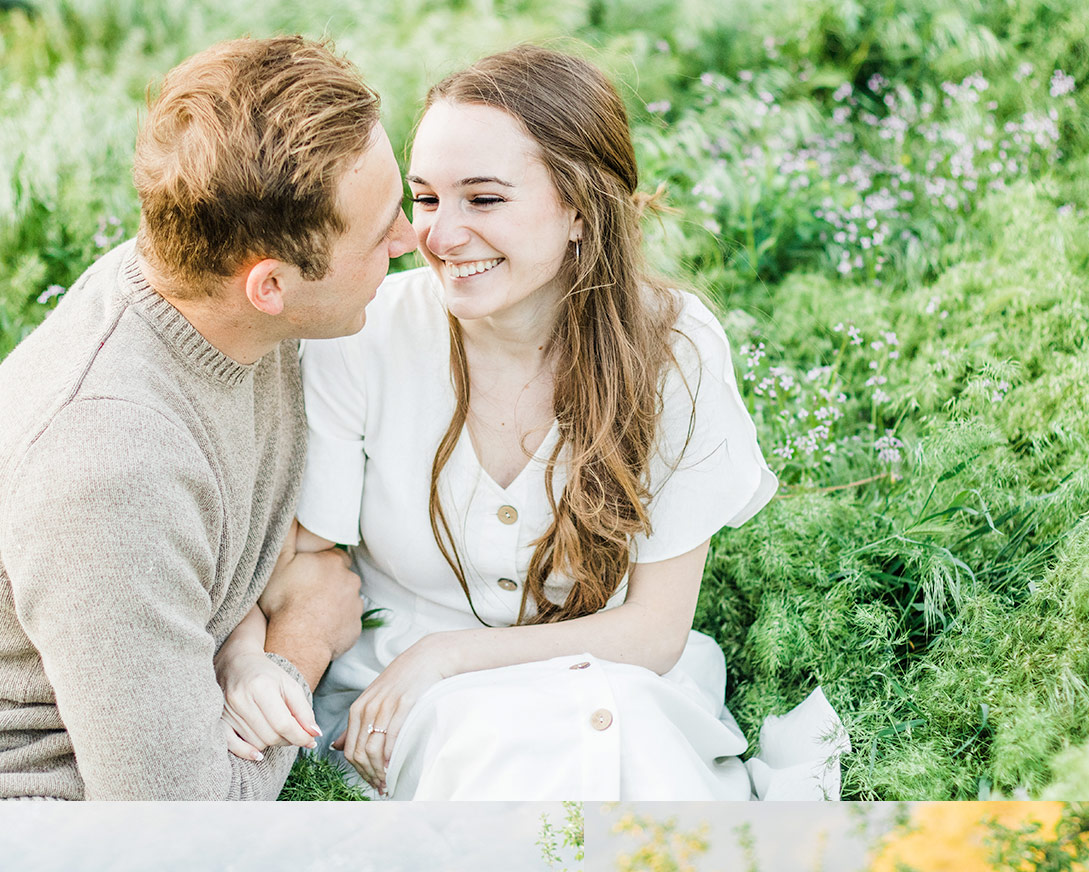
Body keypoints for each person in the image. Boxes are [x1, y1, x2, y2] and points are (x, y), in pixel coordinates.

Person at [221, 45, 847, 801]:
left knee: (621, 761)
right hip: (408, 703)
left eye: (483, 201)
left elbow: (652, 631)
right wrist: (252, 658)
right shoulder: (365, 334)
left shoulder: (673, 347)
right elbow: (299, 562)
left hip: (609, 678)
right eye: (425, 200)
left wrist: (451, 655)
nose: (441, 237)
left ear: (580, 207)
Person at [0, 35, 414, 799]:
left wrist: (248, 643)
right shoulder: (109, 469)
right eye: (383, 232)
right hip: (37, 807)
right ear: (270, 285)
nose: (411, 240)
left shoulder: (225, 294)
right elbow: (187, 827)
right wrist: (302, 639)